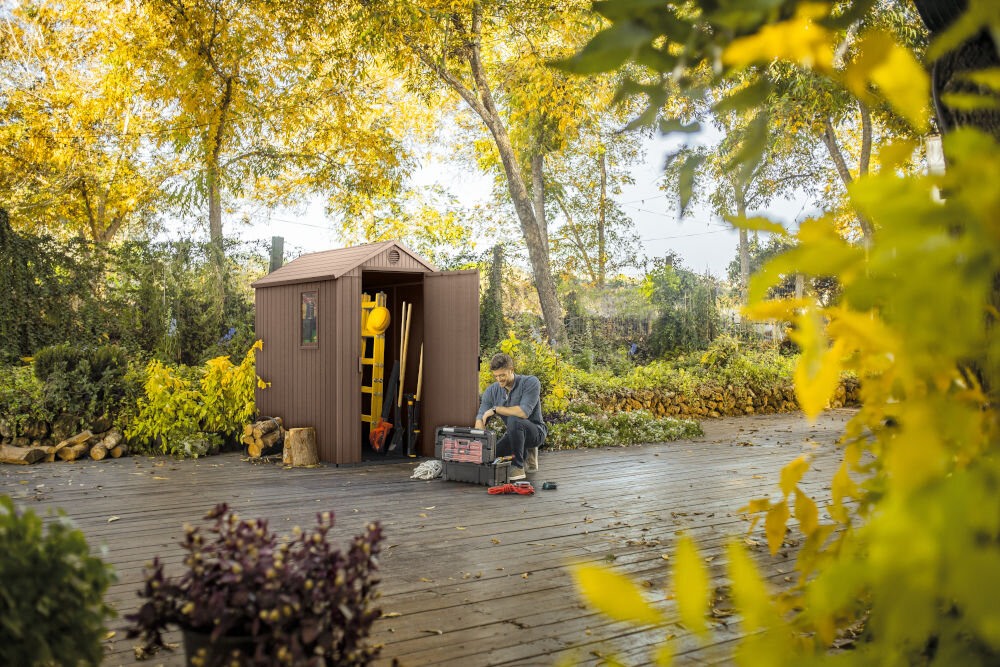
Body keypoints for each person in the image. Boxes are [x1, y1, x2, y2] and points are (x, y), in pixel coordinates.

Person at [475, 353, 546, 481]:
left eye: (502, 375)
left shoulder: (530, 382)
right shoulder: (491, 391)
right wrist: (480, 426)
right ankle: (524, 453)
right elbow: (481, 414)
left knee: (514, 418)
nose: (499, 379)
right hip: (513, 435)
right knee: (490, 456)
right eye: (496, 376)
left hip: (535, 432)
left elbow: (524, 412)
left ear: (511, 370)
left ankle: (518, 466)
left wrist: (496, 409)